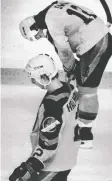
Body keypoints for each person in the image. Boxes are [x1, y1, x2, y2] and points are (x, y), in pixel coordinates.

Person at [19, 0, 112, 148]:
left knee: (87, 90)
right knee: (82, 85)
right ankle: (80, 124)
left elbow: (64, 50)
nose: (38, 38)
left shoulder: (50, 22)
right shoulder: (53, 8)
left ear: (35, 28)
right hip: (96, 37)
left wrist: (70, 70)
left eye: (36, 36)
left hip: (96, 44)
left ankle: (86, 136)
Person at [9, 53, 80, 181]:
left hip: (55, 163)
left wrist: (30, 165)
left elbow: (49, 144)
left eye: (34, 79)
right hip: (68, 154)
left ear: (44, 77)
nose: (32, 82)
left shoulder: (53, 105)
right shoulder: (70, 88)